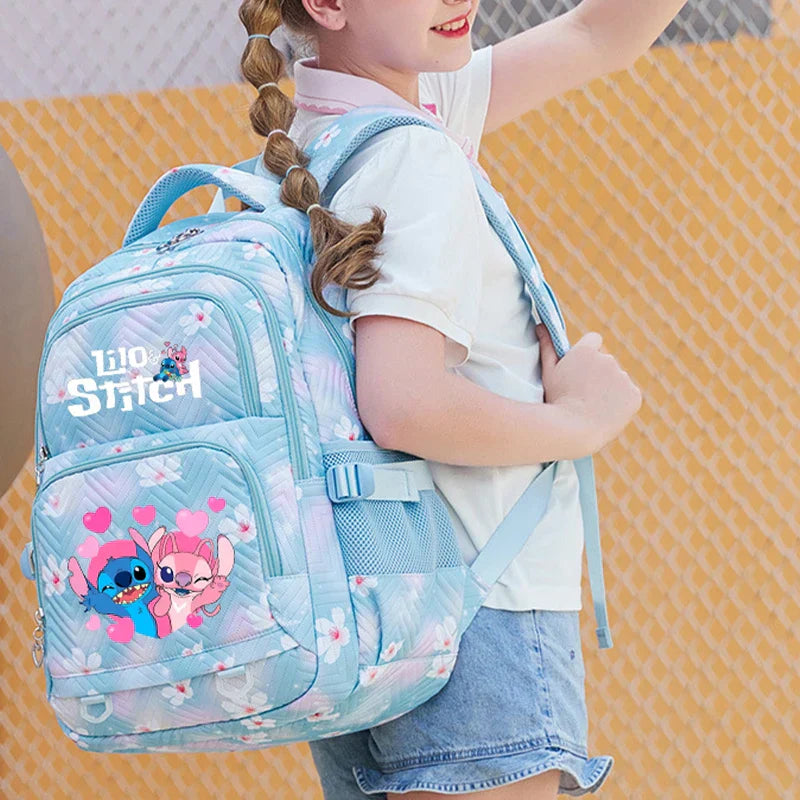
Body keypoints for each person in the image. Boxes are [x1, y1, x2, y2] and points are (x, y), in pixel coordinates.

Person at [238, 1, 643, 797]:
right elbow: (403, 400)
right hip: (476, 611)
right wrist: (579, 422)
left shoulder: (318, 142)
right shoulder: (412, 156)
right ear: (328, 5)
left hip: (376, 614)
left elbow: (599, 33)